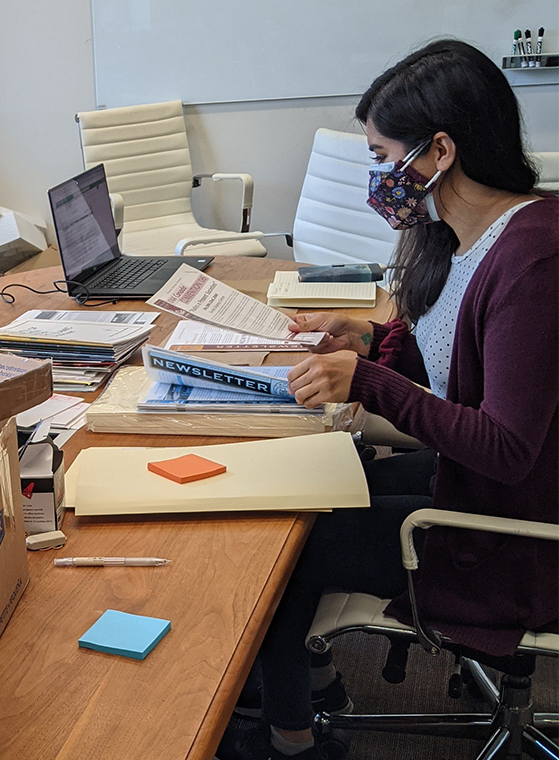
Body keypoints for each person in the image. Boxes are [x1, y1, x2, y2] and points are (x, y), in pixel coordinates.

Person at [220, 39, 558, 760]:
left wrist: (371, 381)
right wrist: (372, 340)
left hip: (520, 531)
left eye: (382, 157)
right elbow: (453, 359)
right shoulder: (465, 238)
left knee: (293, 546)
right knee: (319, 492)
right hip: (483, 489)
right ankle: (306, 679)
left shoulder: (535, 262)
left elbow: (506, 446)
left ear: (439, 151)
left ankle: (292, 738)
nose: (377, 176)